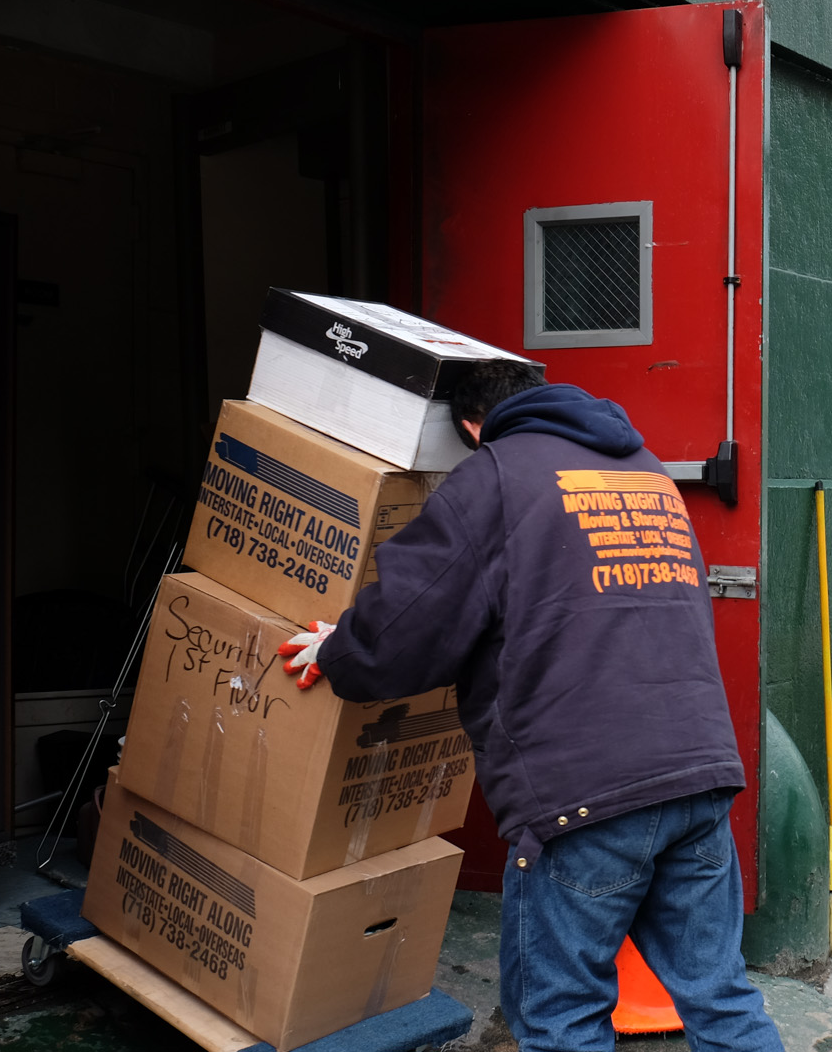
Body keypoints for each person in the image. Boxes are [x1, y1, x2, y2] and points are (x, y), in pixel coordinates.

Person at [276, 360, 784, 1052]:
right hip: (697, 773)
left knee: (560, 1018)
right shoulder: (645, 470)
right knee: (720, 997)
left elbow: (406, 626)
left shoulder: (494, 476)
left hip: (585, 792)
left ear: (469, 426)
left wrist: (338, 653)